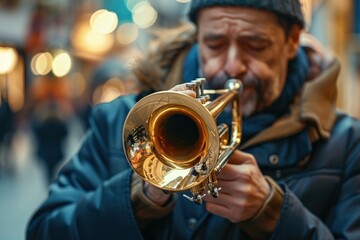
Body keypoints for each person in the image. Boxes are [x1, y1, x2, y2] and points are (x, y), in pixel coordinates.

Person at [27, 0, 360, 239]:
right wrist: (137, 198)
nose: (232, 67)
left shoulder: (347, 144)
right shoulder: (119, 120)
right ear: (197, 35)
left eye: (255, 45)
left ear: (290, 42)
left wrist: (275, 213)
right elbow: (44, 230)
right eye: (214, 43)